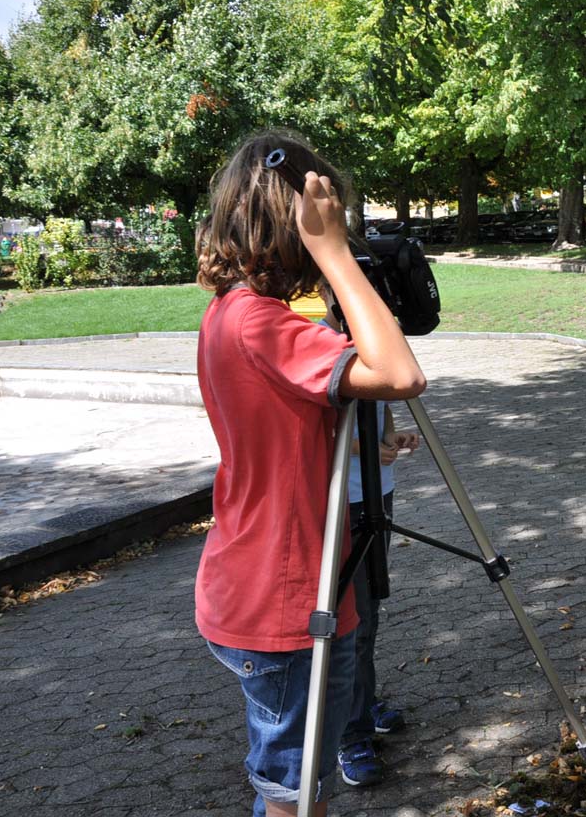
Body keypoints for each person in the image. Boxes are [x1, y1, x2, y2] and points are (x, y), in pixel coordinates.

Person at [194, 130, 426, 817]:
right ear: (292, 224)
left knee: (301, 787)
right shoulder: (260, 325)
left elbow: (292, 426)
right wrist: (336, 256)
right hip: (284, 599)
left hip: (286, 580)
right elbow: (401, 373)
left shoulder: (231, 314)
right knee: (296, 799)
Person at [319, 287, 421, 788]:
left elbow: (385, 401)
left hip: (379, 492)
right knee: (351, 619)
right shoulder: (319, 342)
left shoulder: (374, 340)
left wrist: (389, 436)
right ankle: (348, 733)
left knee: (370, 611)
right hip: (345, 498)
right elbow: (314, 426)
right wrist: (362, 446)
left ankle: (361, 698)